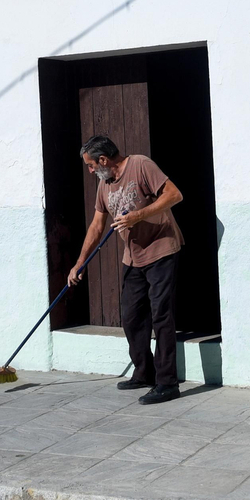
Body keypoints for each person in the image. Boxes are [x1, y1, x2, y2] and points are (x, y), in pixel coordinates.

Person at [68, 135, 185, 404]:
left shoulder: (141, 165)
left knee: (161, 317)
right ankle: (145, 372)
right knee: (131, 318)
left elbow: (174, 194)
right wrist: (79, 263)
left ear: (103, 160)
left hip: (161, 250)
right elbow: (97, 226)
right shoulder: (104, 185)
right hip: (133, 258)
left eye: (90, 165)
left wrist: (138, 215)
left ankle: (167, 383)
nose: (90, 171)